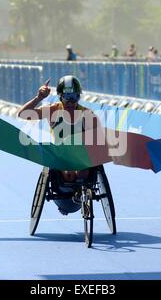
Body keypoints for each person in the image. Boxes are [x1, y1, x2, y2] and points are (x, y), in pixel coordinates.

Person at [17, 76, 102, 214]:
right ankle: (74, 191)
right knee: (68, 173)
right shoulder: (52, 110)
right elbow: (23, 114)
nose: (71, 101)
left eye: (75, 96)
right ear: (60, 96)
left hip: (80, 156)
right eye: (67, 96)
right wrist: (39, 98)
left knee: (84, 167)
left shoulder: (87, 114)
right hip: (61, 156)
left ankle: (81, 192)